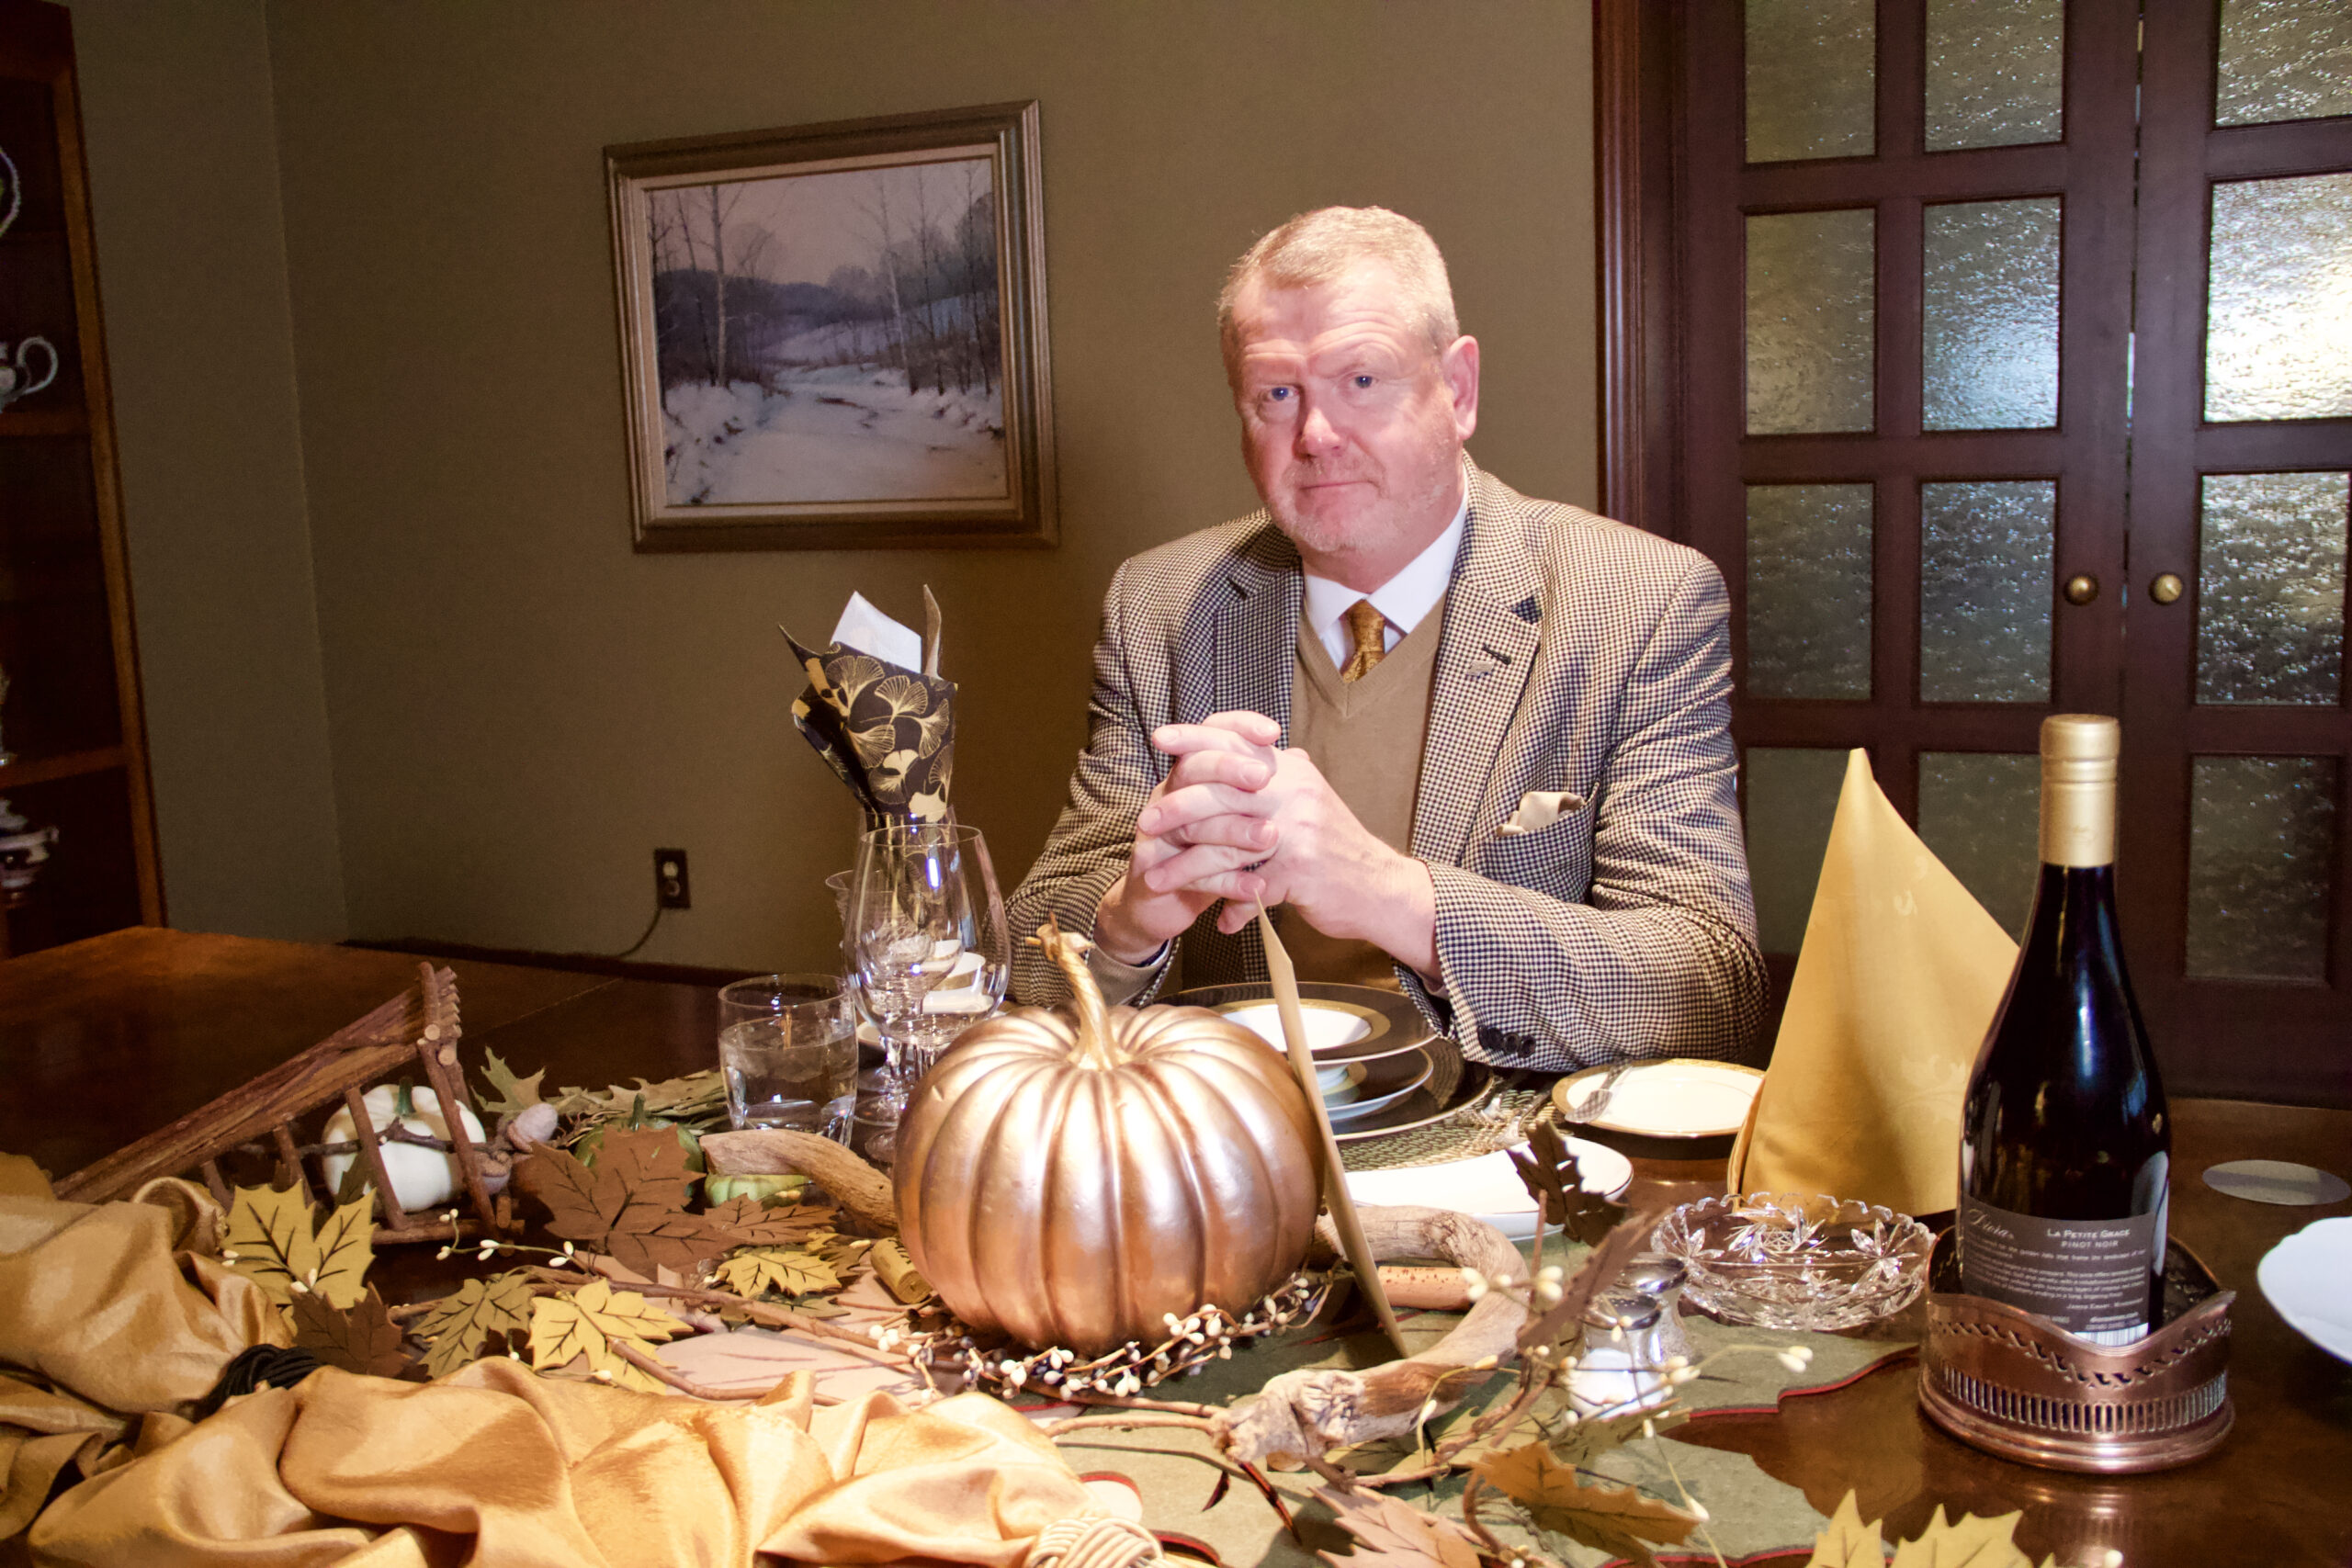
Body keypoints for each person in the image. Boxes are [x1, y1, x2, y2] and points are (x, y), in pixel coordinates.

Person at [1007, 207, 1763, 1070]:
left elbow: (1707, 989)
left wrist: (1390, 894)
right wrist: (1129, 919)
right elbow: (1028, 960)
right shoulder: (1164, 605)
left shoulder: (1639, 603)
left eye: (1361, 380)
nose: (1318, 436)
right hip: (1234, 1155)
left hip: (1509, 1166)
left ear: (1460, 389)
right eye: (1277, 395)